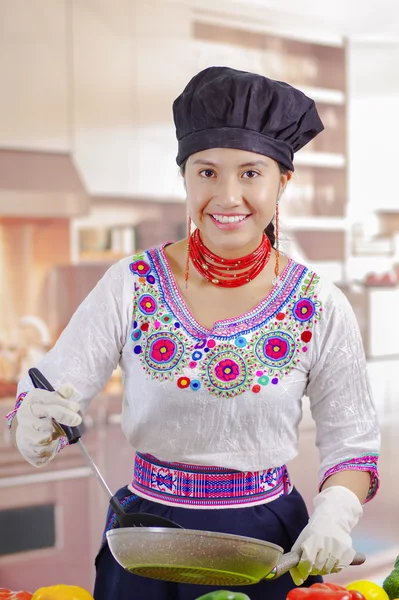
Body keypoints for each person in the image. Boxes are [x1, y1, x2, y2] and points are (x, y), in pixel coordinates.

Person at [7, 67, 380, 600]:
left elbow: (353, 446)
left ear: (283, 181)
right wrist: (35, 422)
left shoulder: (320, 305)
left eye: (250, 173)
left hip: (268, 547)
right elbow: (49, 389)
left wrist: (336, 516)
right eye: (207, 172)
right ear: (185, 177)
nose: (227, 196)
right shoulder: (130, 284)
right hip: (145, 541)